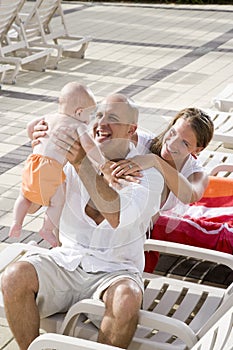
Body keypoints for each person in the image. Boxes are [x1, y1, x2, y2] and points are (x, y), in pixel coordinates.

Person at [1, 93, 164, 350]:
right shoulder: (69, 157)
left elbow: (116, 216)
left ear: (131, 130)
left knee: (127, 300)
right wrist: (40, 155)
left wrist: (81, 163)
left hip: (115, 271)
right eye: (98, 115)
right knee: (13, 276)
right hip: (66, 260)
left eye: (112, 118)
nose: (101, 123)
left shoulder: (149, 175)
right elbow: (33, 205)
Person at [103, 108, 214, 271]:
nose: (172, 143)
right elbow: (104, 139)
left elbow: (190, 195)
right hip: (112, 219)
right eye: (173, 132)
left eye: (185, 143)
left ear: (198, 150)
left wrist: (156, 162)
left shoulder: (196, 172)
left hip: (135, 234)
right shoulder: (144, 142)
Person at [8, 82, 105, 247]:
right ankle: (46, 229)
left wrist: (34, 137)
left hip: (33, 162)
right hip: (52, 168)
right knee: (57, 201)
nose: (89, 120)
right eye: (90, 114)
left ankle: (16, 223)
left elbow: (30, 126)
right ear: (79, 112)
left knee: (24, 196)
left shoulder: (48, 117)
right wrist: (102, 162)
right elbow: (89, 146)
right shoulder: (77, 125)